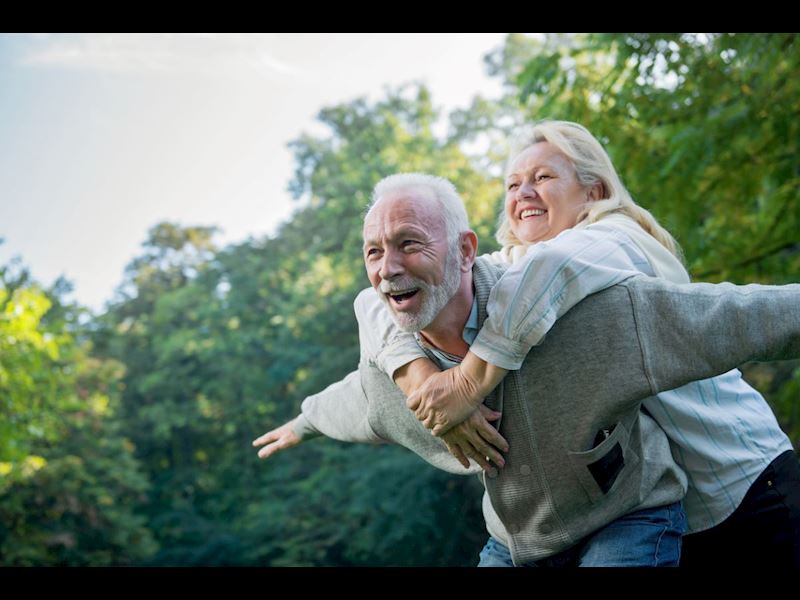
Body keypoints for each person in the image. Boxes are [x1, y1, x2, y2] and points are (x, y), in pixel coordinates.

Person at [254, 173, 800, 566]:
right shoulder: (392, 376)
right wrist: (304, 420)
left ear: (466, 251)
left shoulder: (584, 317)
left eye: (409, 244)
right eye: (373, 252)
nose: (388, 268)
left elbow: (732, 316)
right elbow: (354, 403)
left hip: (629, 517)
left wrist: (469, 384)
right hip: (520, 544)